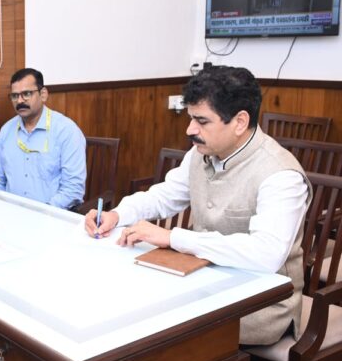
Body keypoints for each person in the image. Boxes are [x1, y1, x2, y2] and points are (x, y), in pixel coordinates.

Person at [84, 66, 310, 346]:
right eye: (191, 118)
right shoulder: (202, 152)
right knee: (127, 297)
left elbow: (266, 255)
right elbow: (165, 195)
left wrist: (173, 238)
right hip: (204, 277)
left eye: (202, 121)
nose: (190, 130)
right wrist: (118, 214)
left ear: (240, 122)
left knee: (154, 321)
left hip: (262, 303)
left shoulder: (280, 174)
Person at [0, 68, 86, 210]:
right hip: (10, 213)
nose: (19, 101)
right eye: (15, 96)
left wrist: (42, 212)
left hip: (51, 215)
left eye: (26, 94)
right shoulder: (6, 131)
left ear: (43, 94)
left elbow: (73, 189)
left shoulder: (67, 131)